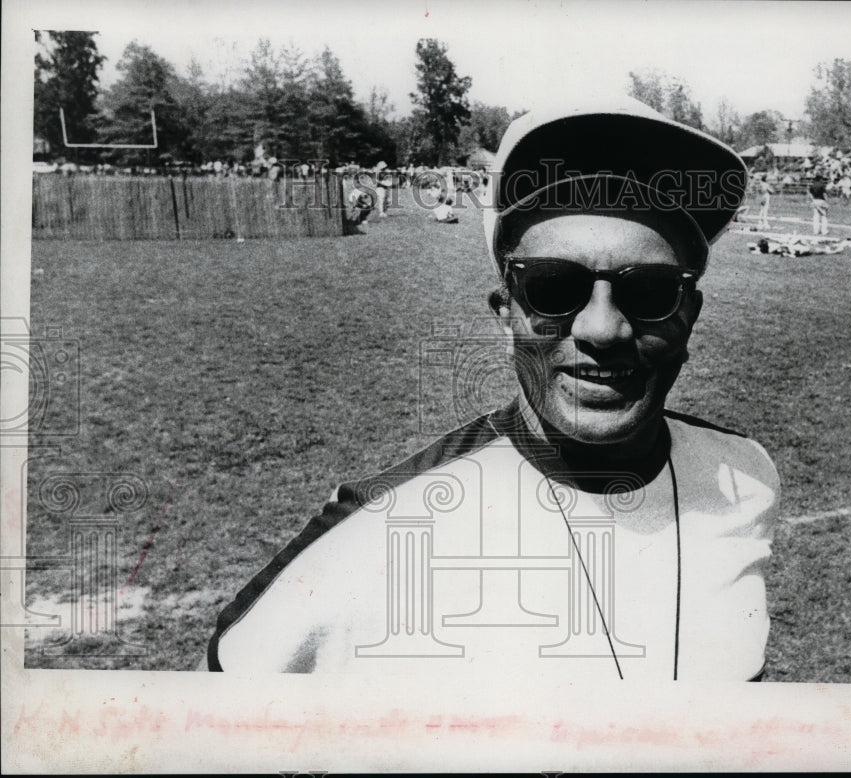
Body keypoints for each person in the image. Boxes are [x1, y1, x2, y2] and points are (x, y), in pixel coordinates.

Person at [205, 96, 780, 683]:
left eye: (650, 292)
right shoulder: (379, 529)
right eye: (554, 288)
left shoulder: (746, 478)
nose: (602, 329)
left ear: (690, 316)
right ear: (506, 315)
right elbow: (205, 708)